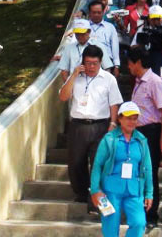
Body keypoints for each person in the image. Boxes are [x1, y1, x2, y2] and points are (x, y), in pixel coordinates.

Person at [58, 44, 123, 212]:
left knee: (98, 164)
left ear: (101, 62)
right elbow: (63, 96)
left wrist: (113, 123)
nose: (91, 67)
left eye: (95, 63)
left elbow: (114, 102)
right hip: (78, 125)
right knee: (75, 163)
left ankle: (95, 202)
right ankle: (81, 193)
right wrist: (73, 75)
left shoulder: (108, 79)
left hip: (100, 126)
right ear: (82, 62)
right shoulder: (76, 77)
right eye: (88, 63)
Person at [90, 101, 153, 237]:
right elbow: (97, 165)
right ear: (119, 119)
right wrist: (95, 190)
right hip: (110, 190)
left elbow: (147, 168)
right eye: (128, 118)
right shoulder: (109, 139)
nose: (132, 122)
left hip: (134, 189)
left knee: (139, 223)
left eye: (135, 119)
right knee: (110, 228)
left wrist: (149, 193)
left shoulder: (142, 140)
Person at [127, 47, 162, 229]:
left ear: (137, 62)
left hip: (151, 133)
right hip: (137, 133)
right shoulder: (138, 81)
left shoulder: (154, 81)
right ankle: (138, 213)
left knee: (149, 174)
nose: (128, 66)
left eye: (130, 63)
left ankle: (151, 215)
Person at [88, 1, 121, 77]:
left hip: (107, 63)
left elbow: (115, 47)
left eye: (99, 12)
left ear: (103, 12)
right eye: (94, 12)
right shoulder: (84, 27)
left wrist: (116, 66)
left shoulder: (110, 27)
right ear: (89, 13)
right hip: (88, 61)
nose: (96, 15)